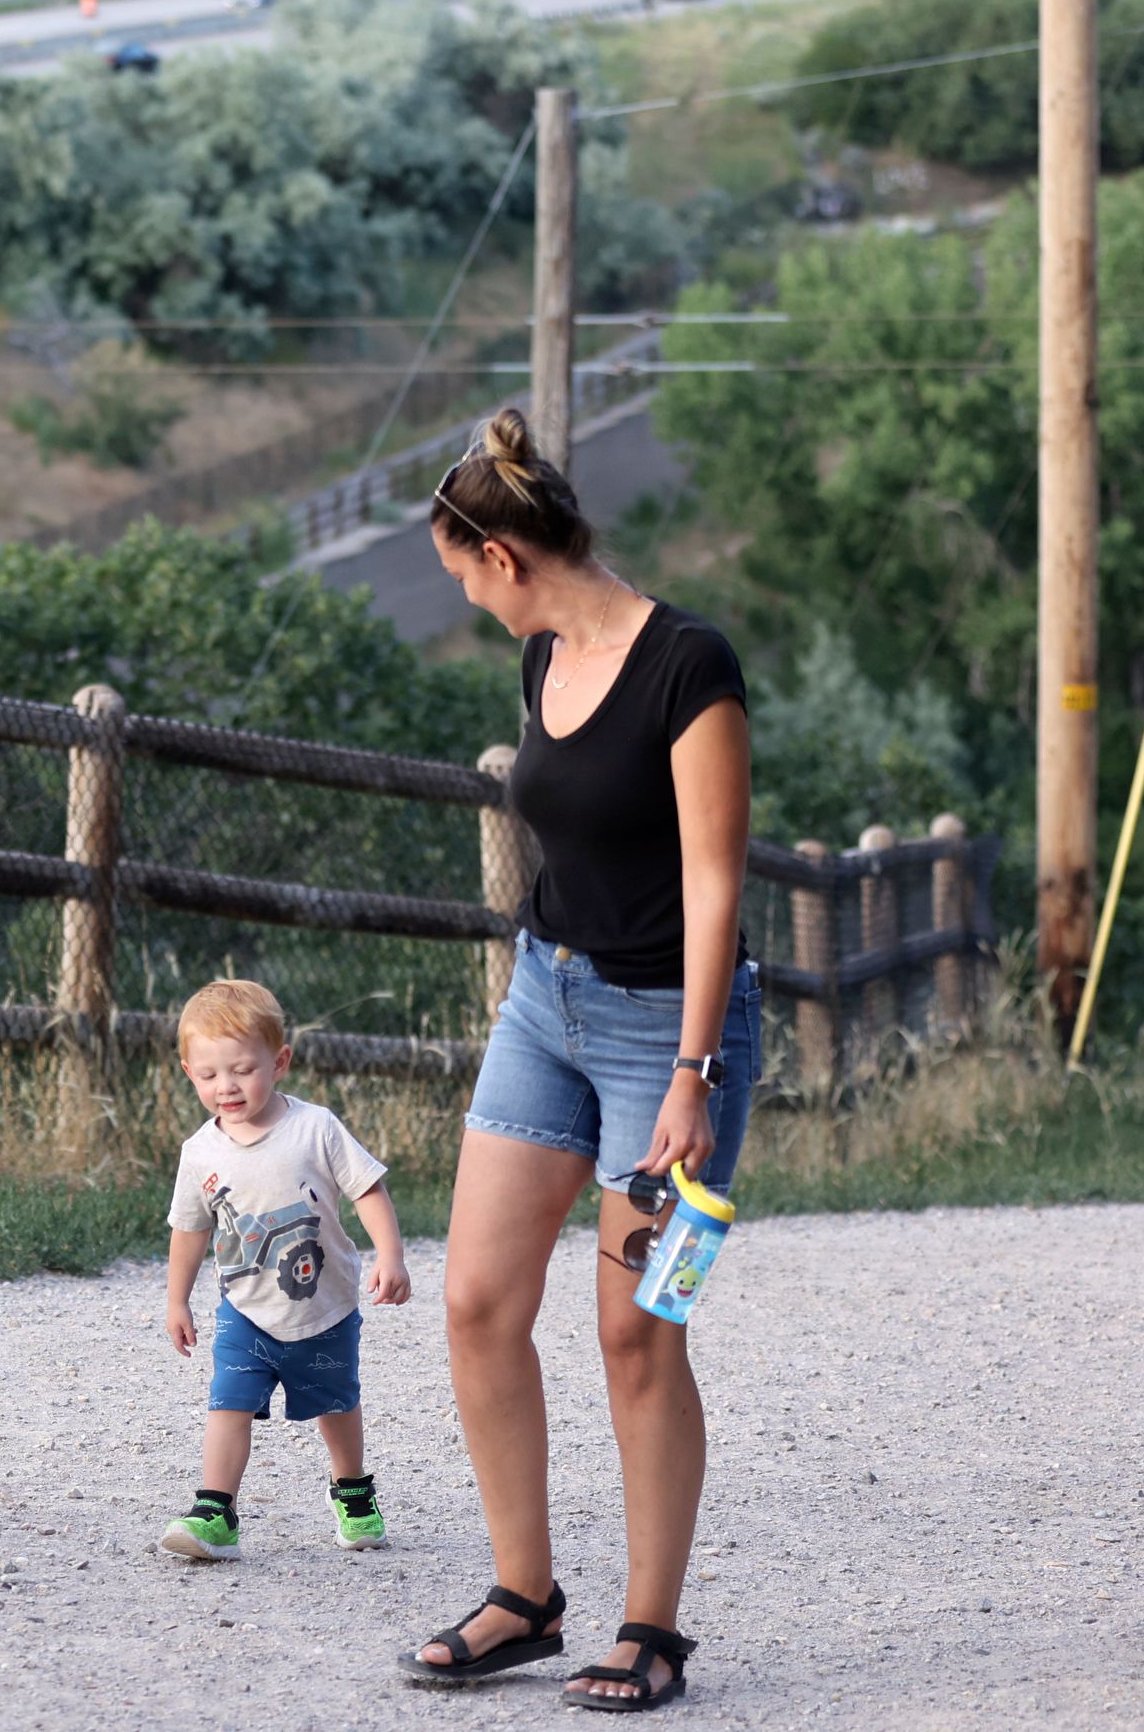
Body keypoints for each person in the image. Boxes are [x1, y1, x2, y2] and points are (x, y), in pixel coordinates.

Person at [408, 409, 759, 1712]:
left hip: (670, 1032)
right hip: (544, 1004)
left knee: (638, 1329)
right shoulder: (541, 653)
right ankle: (525, 1595)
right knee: (476, 1300)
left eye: (460, 575)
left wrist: (696, 1072)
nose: (466, 600)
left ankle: (652, 1629)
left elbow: (716, 885)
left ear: (503, 553)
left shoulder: (689, 667)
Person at [158, 979, 411, 1564]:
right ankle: (215, 1511)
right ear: (188, 1072)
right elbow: (190, 1228)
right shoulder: (200, 1152)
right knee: (229, 1402)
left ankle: (352, 1490)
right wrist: (177, 1300)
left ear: (280, 1062)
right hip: (244, 1308)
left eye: (243, 1070)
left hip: (324, 1307)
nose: (227, 1086)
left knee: (336, 1402)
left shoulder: (315, 1128)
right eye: (209, 1075)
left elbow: (367, 1188)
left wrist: (390, 1254)